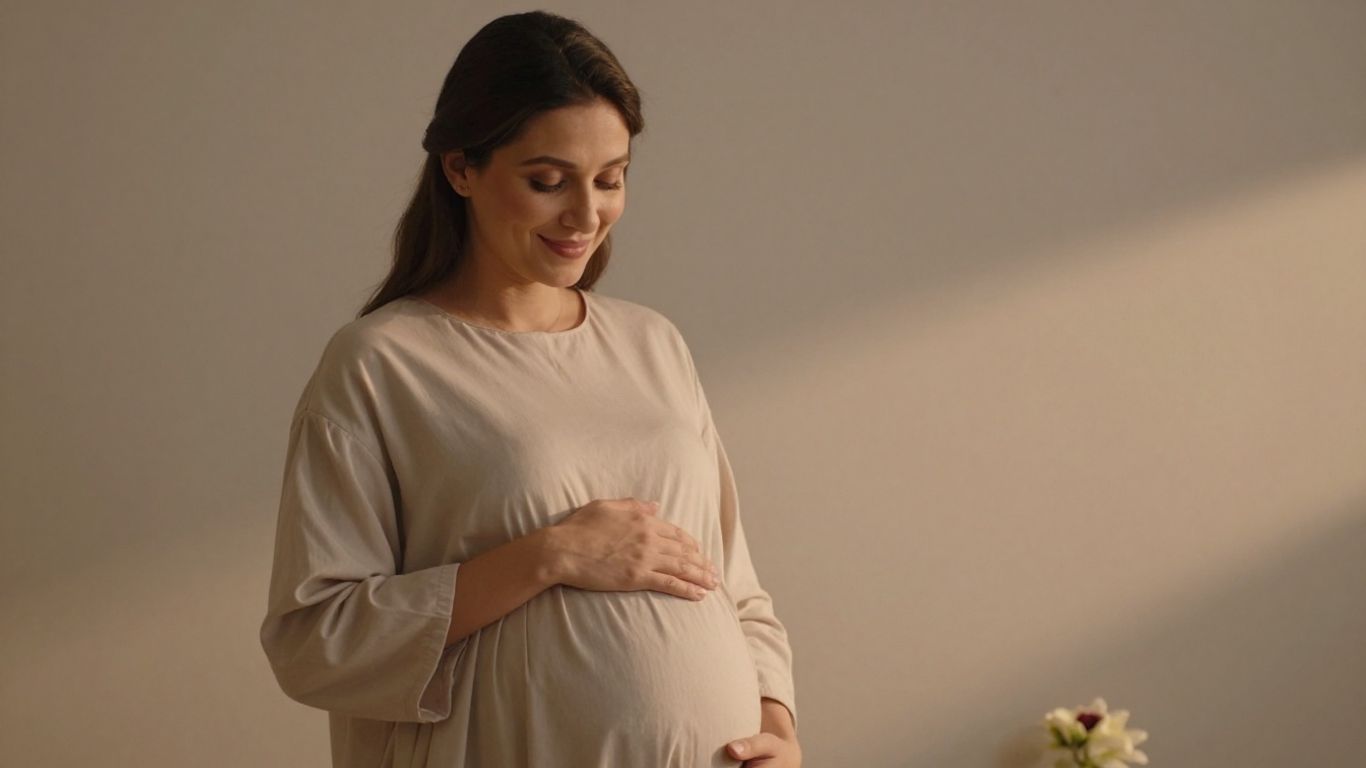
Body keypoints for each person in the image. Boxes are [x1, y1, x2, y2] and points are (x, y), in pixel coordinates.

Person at [258, 10, 799, 768]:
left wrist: (778, 723)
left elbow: (733, 583)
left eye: (611, 179)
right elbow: (314, 639)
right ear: (460, 169)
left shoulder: (653, 344)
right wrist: (548, 556)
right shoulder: (384, 364)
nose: (587, 215)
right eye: (548, 182)